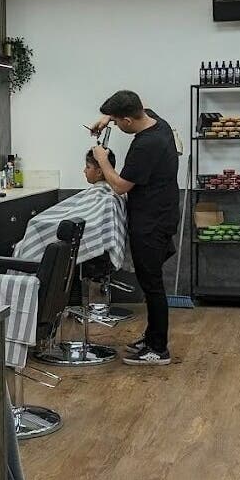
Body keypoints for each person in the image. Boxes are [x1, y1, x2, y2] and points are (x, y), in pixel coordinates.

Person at [89, 90, 179, 366]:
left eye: (117, 122)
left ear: (128, 120)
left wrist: (102, 159)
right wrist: (106, 118)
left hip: (151, 222)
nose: (115, 125)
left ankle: (158, 349)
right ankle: (152, 337)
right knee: (150, 282)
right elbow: (140, 108)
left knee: (152, 285)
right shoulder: (155, 122)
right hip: (161, 214)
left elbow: (119, 185)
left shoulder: (146, 145)